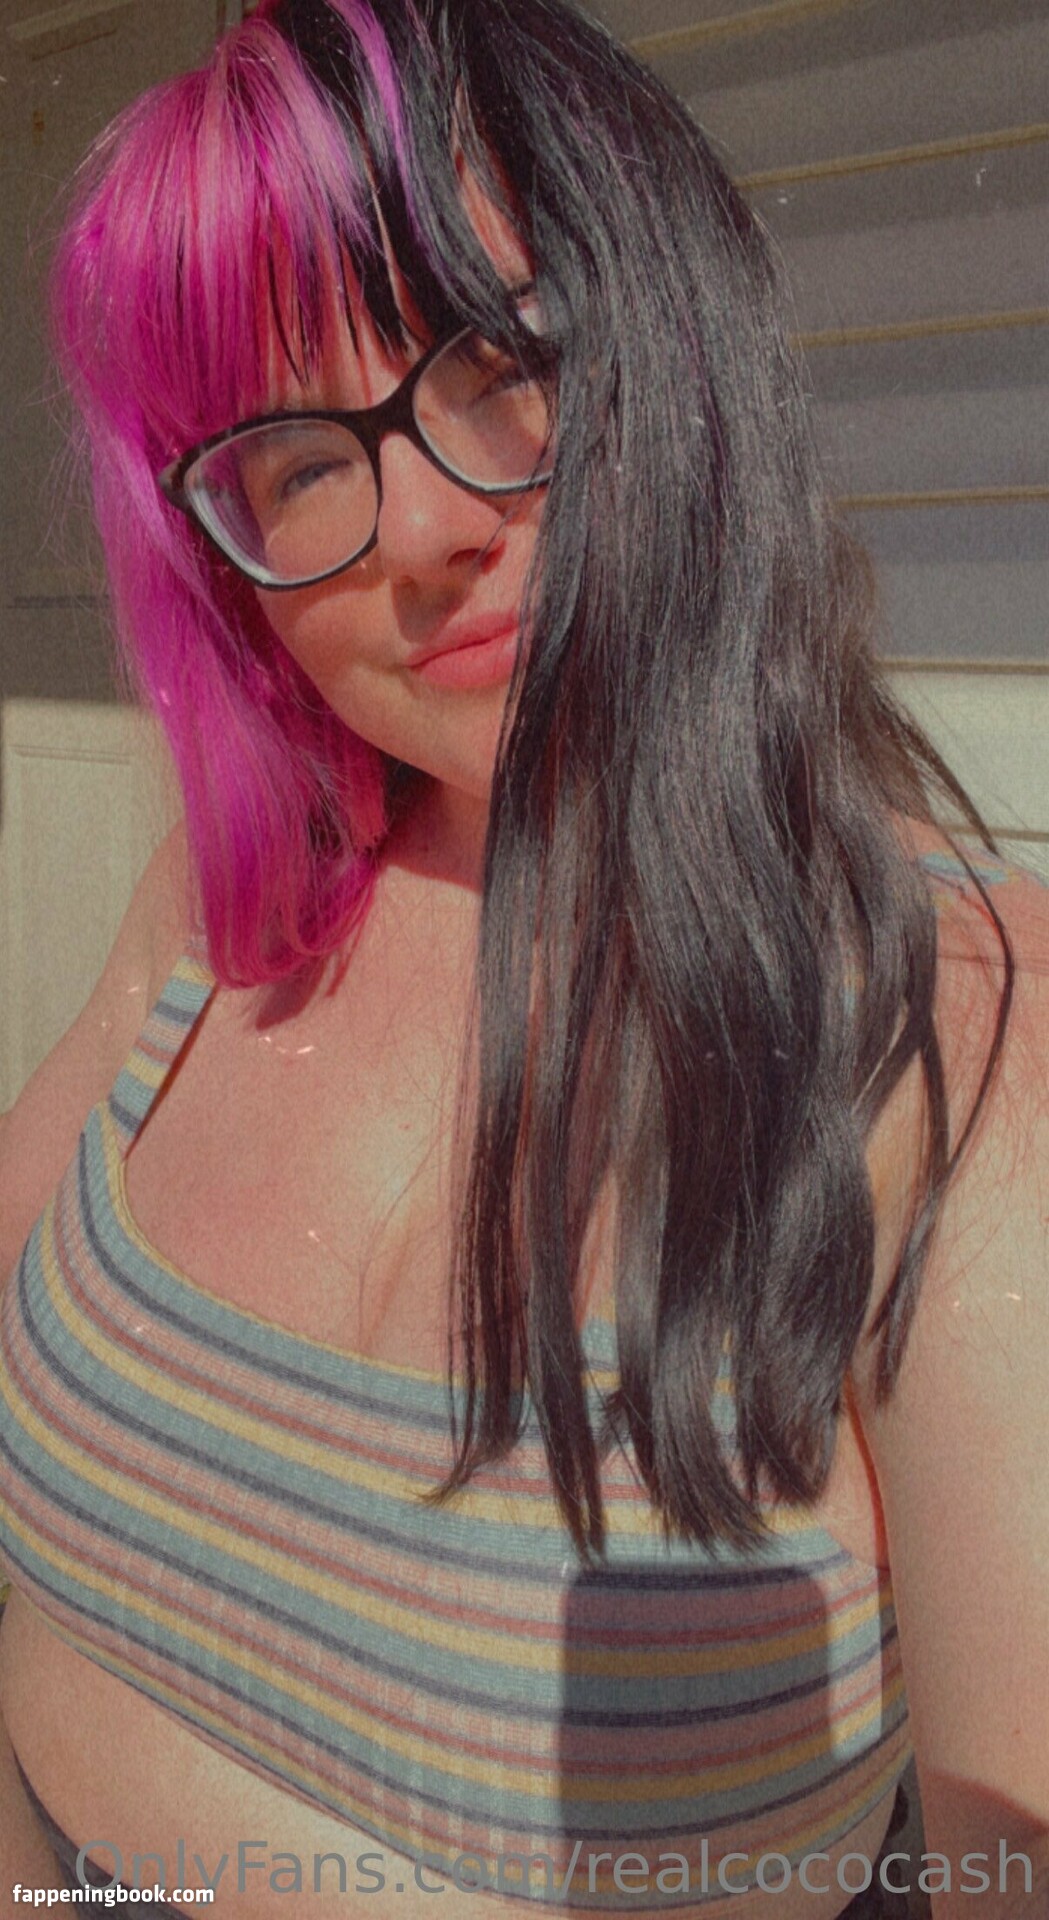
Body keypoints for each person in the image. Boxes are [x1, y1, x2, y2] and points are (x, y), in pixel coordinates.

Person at [0, 1, 1045, 1914]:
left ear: (678, 339)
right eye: (292, 460)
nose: (412, 530)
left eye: (499, 357)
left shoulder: (957, 1030)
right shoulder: (232, 909)